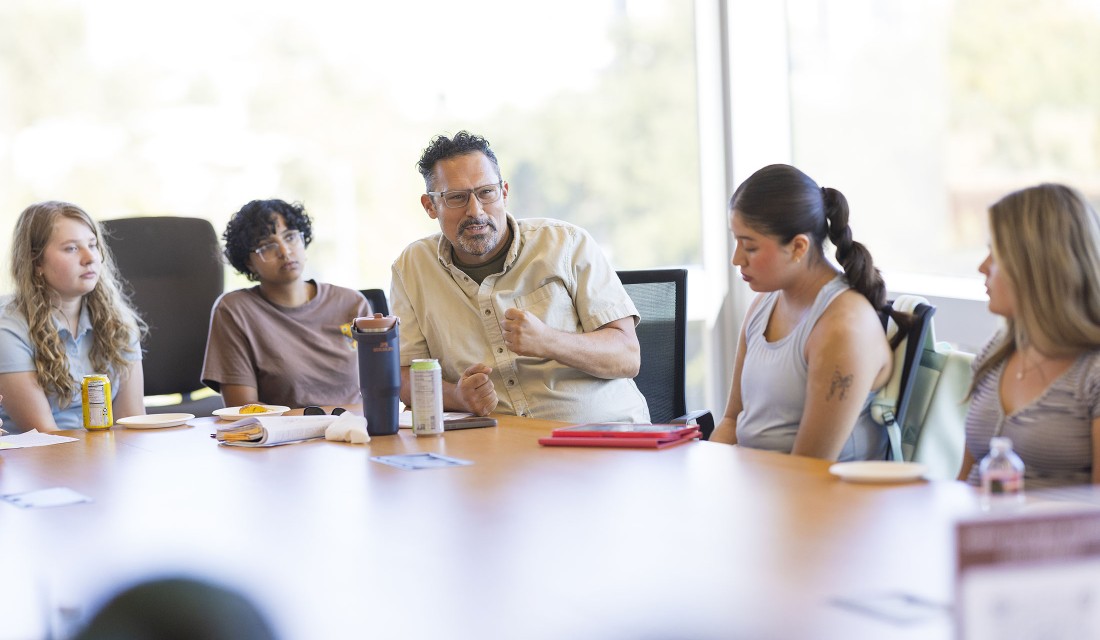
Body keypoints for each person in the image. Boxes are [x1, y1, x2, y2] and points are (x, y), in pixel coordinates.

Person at [390, 131, 649, 423]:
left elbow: (627, 356)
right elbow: (404, 374)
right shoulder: (411, 268)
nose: (475, 211)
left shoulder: (567, 244)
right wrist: (457, 397)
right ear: (430, 206)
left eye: (486, 192)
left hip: (603, 439)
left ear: (504, 193)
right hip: (497, 450)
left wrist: (549, 341)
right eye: (456, 198)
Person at [710, 164, 895, 461]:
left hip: (817, 500)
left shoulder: (844, 327)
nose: (736, 259)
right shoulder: (762, 305)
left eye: (750, 247)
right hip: (759, 488)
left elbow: (808, 468)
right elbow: (732, 420)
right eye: (736, 242)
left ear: (798, 247)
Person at [958, 184, 1100, 488]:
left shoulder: (1093, 373)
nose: (982, 267)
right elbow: (963, 481)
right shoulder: (995, 354)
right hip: (977, 531)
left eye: (995, 254)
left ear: (1037, 266)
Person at [201, 199, 371, 409]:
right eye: (267, 246)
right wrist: (318, 423)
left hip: (355, 434)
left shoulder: (352, 303)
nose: (284, 251)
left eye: (290, 237)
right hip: (283, 438)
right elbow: (242, 407)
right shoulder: (235, 310)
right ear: (248, 262)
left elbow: (378, 391)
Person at [0, 201, 145, 432]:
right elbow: (46, 437)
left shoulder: (119, 324)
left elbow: (132, 424)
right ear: (36, 262)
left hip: (104, 460)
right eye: (71, 248)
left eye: (93, 245)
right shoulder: (8, 330)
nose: (90, 258)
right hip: (40, 462)